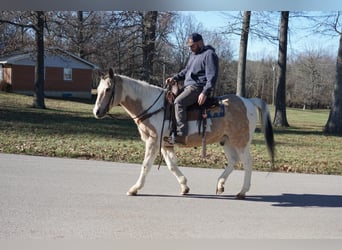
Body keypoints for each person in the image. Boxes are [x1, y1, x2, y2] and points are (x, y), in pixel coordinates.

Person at [165, 32, 219, 145]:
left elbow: (212, 76)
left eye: (192, 45)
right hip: (187, 86)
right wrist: (174, 78)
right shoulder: (193, 55)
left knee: (179, 102)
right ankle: (170, 130)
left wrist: (205, 92)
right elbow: (186, 71)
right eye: (189, 46)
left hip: (197, 87)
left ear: (200, 43)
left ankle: (181, 135)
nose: (190, 48)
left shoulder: (209, 54)